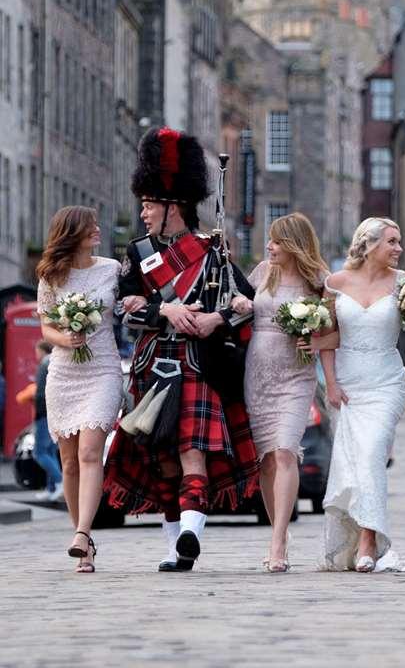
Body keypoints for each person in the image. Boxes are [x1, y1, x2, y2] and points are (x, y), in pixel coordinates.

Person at [103, 127, 259, 572]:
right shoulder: (139, 253)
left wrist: (216, 319)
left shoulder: (213, 251)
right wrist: (167, 311)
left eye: (150, 204)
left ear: (175, 206)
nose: (144, 212)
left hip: (196, 365)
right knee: (166, 464)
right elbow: (126, 309)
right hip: (154, 367)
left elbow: (248, 304)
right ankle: (176, 547)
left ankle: (190, 534)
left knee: (192, 455)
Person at [232, 212, 335, 572]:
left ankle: (278, 543)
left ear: (293, 244)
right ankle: (279, 532)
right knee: (266, 459)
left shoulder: (319, 281)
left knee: (286, 451)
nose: (270, 246)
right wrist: (241, 304)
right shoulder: (263, 272)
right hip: (258, 373)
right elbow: (239, 302)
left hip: (296, 375)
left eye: (276, 241)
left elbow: (337, 327)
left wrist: (316, 336)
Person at [35, 207, 123, 571]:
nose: (98, 231)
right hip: (64, 374)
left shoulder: (112, 270)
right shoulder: (51, 276)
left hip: (103, 368)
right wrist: (67, 337)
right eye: (91, 227)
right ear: (73, 232)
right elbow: (46, 330)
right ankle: (82, 541)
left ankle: (83, 533)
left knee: (90, 452)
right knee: (69, 462)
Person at [320, 217, 405, 572]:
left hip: (387, 382)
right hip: (347, 385)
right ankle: (354, 538)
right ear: (370, 245)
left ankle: (370, 541)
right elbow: (325, 336)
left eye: (399, 242)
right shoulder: (335, 284)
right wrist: (330, 383)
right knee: (351, 465)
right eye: (392, 242)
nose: (399, 248)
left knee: (372, 454)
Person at [29, 341, 63, 503]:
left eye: (36, 350)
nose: (35, 354)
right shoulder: (55, 361)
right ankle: (51, 488)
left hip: (45, 414)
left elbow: (41, 393)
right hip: (56, 412)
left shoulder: (44, 364)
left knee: (40, 452)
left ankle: (59, 481)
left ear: (42, 350)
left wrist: (38, 409)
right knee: (50, 452)